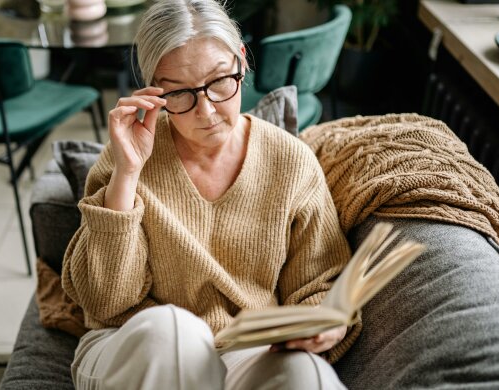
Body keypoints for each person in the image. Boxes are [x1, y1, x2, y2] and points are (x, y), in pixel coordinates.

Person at [61, 0, 361, 388]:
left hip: (244, 353)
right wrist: (128, 174)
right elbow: (104, 301)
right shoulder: (125, 161)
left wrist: (324, 324)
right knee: (173, 332)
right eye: (180, 94)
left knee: (307, 374)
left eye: (220, 82)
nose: (206, 111)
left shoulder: (290, 161)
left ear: (241, 61)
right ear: (153, 91)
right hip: (131, 343)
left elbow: (321, 282)